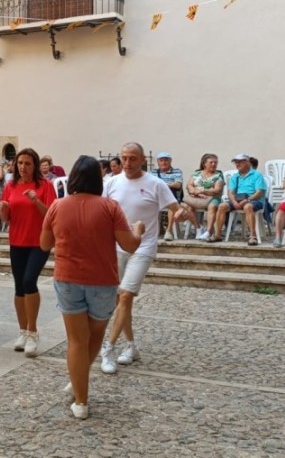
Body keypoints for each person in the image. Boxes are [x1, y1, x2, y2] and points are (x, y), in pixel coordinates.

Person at [41, 156, 144, 419]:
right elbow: (130, 245)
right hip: (102, 281)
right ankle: (79, 386)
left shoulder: (57, 206)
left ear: (73, 178)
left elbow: (44, 244)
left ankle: (81, 398)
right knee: (94, 336)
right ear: (98, 180)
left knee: (76, 340)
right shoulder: (110, 207)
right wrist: (138, 230)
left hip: (68, 278)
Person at [101, 143, 182, 373]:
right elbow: (102, 211)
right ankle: (131, 346)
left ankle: (108, 349)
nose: (127, 163)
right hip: (116, 247)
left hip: (144, 247)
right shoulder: (112, 183)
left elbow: (176, 209)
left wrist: (182, 215)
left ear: (142, 160)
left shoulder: (156, 184)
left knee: (126, 295)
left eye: (132, 159)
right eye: (124, 158)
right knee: (120, 301)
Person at [0, 148, 57, 357]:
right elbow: (6, 219)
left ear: (35, 166)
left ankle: (33, 331)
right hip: (17, 240)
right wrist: (4, 209)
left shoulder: (45, 186)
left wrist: (36, 200)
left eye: (28, 164)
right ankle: (22, 330)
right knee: (18, 286)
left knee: (29, 281)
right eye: (20, 163)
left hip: (39, 242)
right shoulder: (10, 186)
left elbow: (51, 215)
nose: (23, 167)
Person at [212, 153, 266, 245]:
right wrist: (234, 202)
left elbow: (259, 192)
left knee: (248, 207)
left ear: (247, 162)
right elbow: (231, 192)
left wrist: (247, 200)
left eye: (240, 162)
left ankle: (253, 236)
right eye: (236, 162)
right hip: (238, 200)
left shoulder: (257, 175)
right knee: (222, 206)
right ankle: (218, 235)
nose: (237, 164)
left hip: (254, 200)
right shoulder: (235, 176)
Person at [181, 154, 224, 242]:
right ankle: (198, 228)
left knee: (212, 206)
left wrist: (201, 190)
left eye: (215, 162)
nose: (213, 164)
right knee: (185, 205)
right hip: (197, 197)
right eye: (211, 162)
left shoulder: (218, 175)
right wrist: (195, 192)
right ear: (204, 163)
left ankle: (208, 232)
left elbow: (217, 190)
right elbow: (189, 185)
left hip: (213, 198)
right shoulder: (196, 173)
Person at [152, 152, 184, 241]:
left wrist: (161, 185)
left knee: (171, 205)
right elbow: (151, 185)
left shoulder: (176, 171)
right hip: (157, 197)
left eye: (166, 160)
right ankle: (155, 230)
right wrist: (169, 184)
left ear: (170, 161)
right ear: (158, 162)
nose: (164, 162)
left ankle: (169, 231)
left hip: (171, 197)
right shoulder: (153, 172)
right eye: (161, 160)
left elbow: (177, 185)